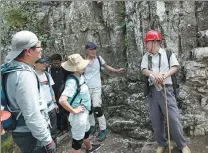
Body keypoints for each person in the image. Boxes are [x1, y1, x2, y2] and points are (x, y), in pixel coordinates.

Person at [3, 30, 56, 153]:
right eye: (38, 46)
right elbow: (32, 114)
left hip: (23, 131)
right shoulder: (24, 76)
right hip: (31, 135)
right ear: (28, 51)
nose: (41, 49)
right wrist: (47, 140)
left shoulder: (11, 69)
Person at [141, 30, 191, 153]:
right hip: (153, 91)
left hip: (166, 89)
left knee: (173, 118)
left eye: (147, 42)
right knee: (156, 120)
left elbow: (175, 67)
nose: (146, 45)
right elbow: (144, 70)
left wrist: (163, 75)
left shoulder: (167, 53)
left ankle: (182, 145)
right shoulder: (146, 56)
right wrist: (154, 73)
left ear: (154, 42)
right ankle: (162, 144)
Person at [59, 54, 101, 153]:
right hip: (78, 115)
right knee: (77, 141)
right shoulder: (72, 82)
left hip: (83, 112)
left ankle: (89, 148)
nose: (85, 66)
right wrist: (74, 110)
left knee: (85, 132)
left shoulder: (79, 76)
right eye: (82, 65)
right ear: (75, 69)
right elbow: (62, 100)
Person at [83, 42, 125, 141]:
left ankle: (103, 129)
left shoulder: (99, 59)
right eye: (91, 49)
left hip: (97, 87)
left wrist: (117, 71)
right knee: (88, 108)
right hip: (86, 88)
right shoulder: (83, 61)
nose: (93, 51)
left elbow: (107, 67)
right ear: (87, 50)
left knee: (97, 108)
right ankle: (92, 126)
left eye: (94, 49)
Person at [34, 57, 58, 143]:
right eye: (42, 62)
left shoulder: (47, 75)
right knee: (45, 131)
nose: (45, 64)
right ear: (35, 64)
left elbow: (51, 89)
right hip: (40, 109)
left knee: (54, 129)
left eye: (45, 62)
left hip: (51, 106)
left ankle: (54, 147)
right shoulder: (31, 76)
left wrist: (55, 103)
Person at [48, 53, 69, 135]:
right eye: (54, 63)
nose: (56, 65)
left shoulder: (65, 69)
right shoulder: (49, 70)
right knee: (57, 112)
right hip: (53, 94)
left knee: (64, 111)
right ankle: (59, 128)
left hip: (63, 93)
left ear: (61, 61)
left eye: (58, 63)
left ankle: (65, 128)